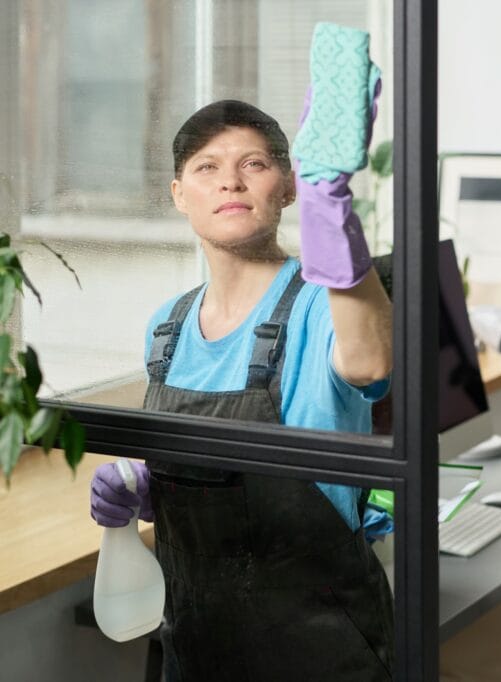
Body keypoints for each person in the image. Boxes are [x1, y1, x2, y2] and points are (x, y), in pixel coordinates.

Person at [88, 97, 395, 681]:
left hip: (323, 649)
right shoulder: (167, 328)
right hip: (198, 646)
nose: (230, 179)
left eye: (254, 164)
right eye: (207, 166)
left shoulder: (319, 304)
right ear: (179, 194)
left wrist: (333, 207)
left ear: (287, 187)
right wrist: (149, 484)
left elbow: (369, 360)